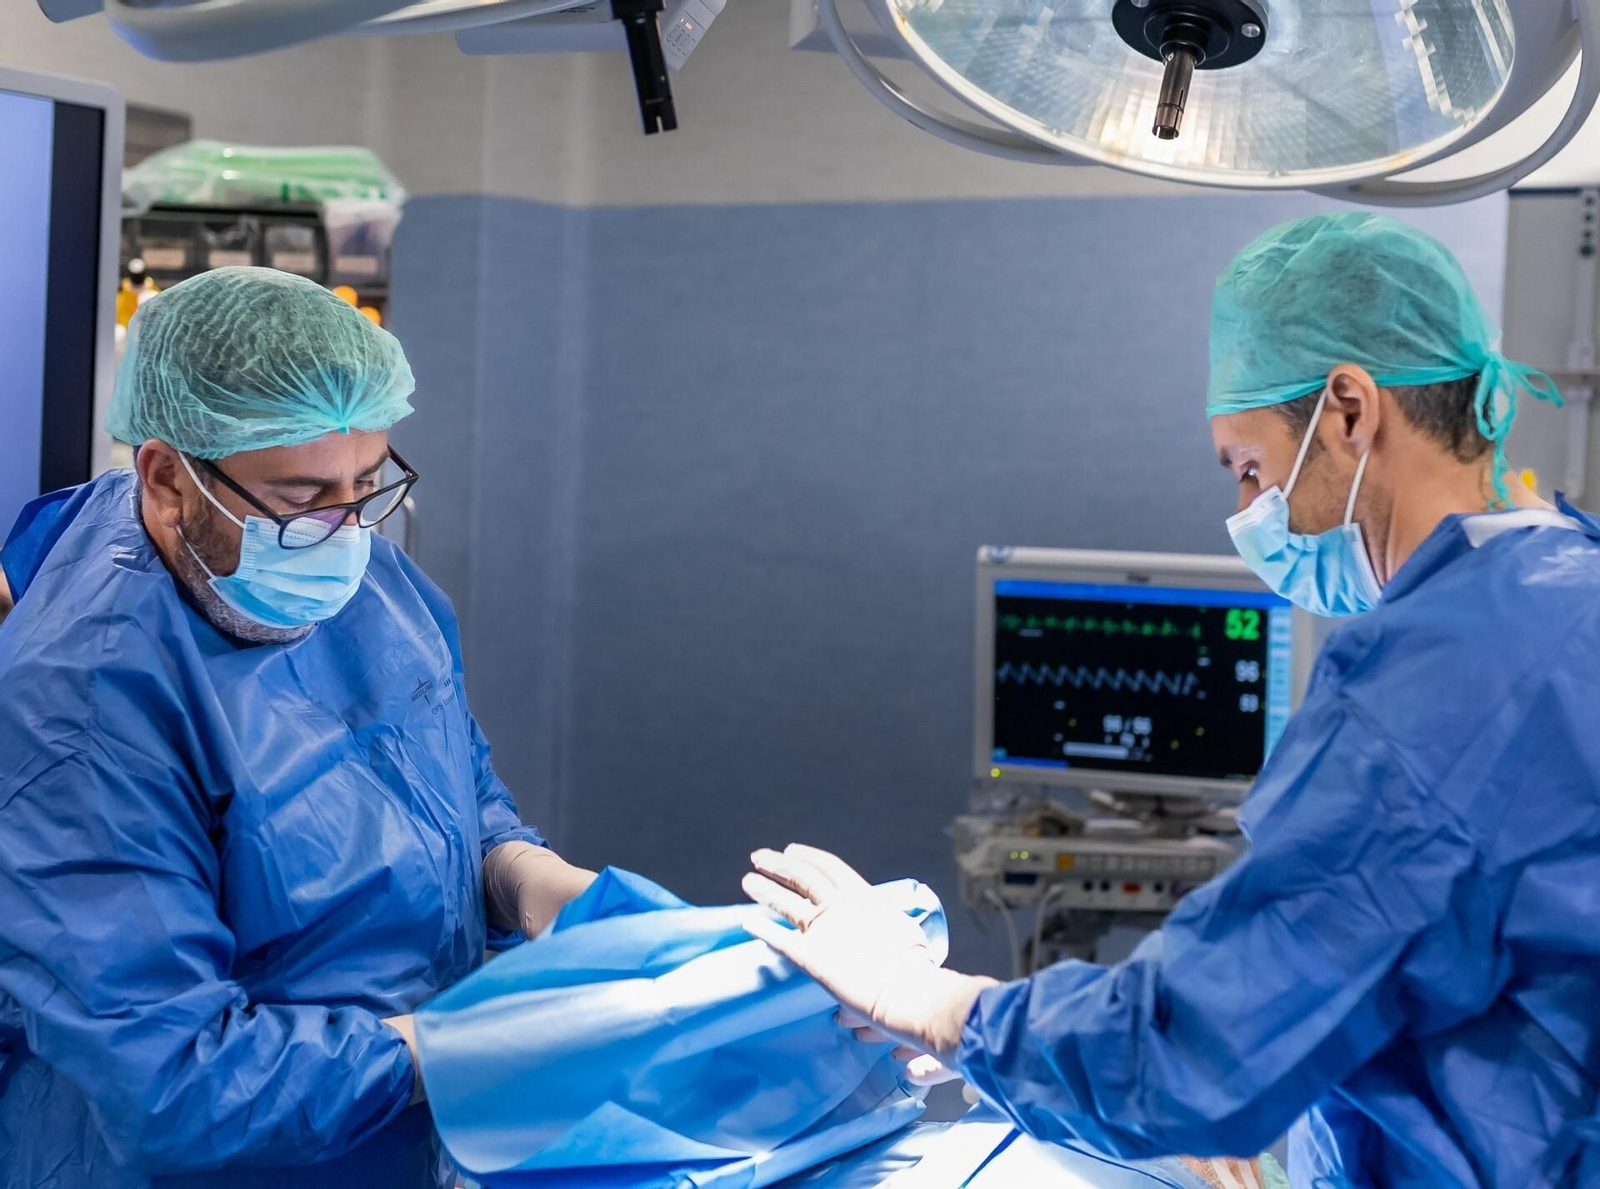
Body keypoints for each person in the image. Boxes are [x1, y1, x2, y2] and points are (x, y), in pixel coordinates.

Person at [743, 213, 1600, 1189]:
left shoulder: (1435, 675)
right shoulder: (1567, 585)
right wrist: (1254, 1079)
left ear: (1349, 411)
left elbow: (1185, 1050)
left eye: (1250, 468)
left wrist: (920, 997)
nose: (1245, 512)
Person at [0, 268, 596, 1189]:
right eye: (302, 496)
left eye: (366, 484)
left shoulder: (372, 582)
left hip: (394, 1147)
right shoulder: (85, 705)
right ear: (166, 479)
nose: (344, 531)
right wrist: (451, 1047)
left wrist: (526, 878)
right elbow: (172, 1084)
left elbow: (450, 788)